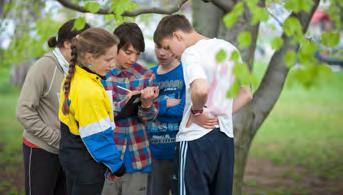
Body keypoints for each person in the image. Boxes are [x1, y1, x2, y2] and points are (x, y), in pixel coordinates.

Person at [153, 14, 253, 195]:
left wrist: (197, 112)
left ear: (177, 36)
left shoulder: (191, 53)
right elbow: (246, 94)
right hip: (224, 140)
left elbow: (200, 89)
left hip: (194, 140)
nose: (170, 53)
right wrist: (218, 115)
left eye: (168, 46)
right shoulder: (229, 49)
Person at [16, 19, 90, 195]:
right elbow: (23, 112)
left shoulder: (78, 69)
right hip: (41, 149)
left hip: (67, 151)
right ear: (67, 43)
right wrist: (57, 139)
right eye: (84, 42)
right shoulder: (44, 67)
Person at [58, 27, 125, 195]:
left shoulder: (75, 77)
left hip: (71, 156)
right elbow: (97, 136)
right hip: (86, 163)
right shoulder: (89, 90)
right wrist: (116, 166)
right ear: (89, 58)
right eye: (108, 59)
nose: (113, 64)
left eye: (114, 58)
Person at [101, 22, 159, 195]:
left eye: (137, 53)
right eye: (128, 52)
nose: (133, 59)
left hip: (138, 153)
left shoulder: (146, 76)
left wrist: (147, 104)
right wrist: (124, 104)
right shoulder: (101, 76)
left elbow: (150, 118)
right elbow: (96, 115)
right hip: (108, 156)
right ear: (114, 48)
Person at [147, 44, 185, 195]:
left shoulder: (185, 73)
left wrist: (154, 106)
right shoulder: (148, 75)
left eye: (168, 48)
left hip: (178, 150)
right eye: (158, 47)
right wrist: (166, 104)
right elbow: (143, 111)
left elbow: (184, 110)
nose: (161, 53)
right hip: (153, 151)